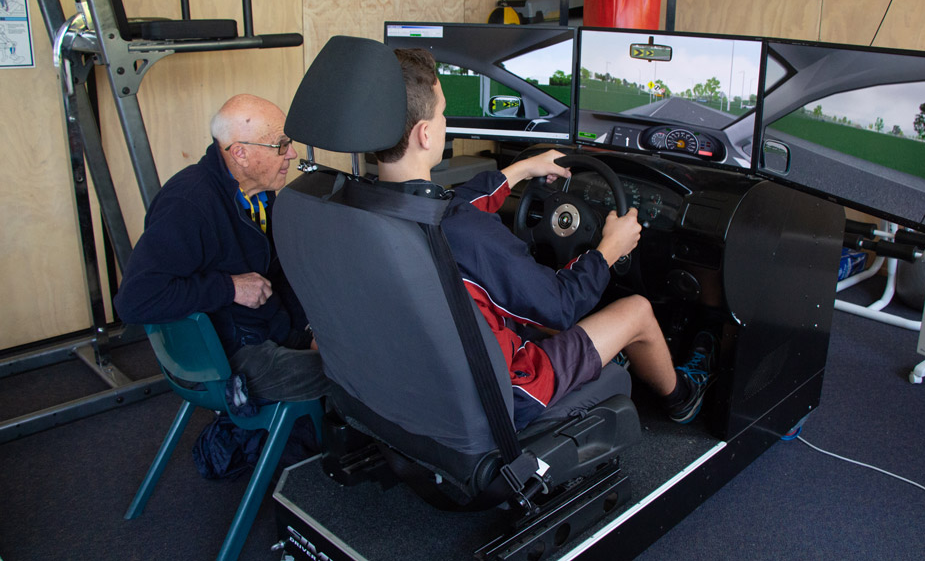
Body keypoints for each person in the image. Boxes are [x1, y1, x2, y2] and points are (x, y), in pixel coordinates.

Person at [376, 48, 716, 429]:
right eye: (441, 114)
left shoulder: (363, 210)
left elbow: (460, 202)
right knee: (636, 309)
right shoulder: (466, 232)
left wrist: (522, 168)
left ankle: (608, 356)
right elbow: (561, 303)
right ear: (425, 134)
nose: (444, 123)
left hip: (428, 376)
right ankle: (684, 396)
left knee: (537, 313)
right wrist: (609, 250)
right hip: (507, 390)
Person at [114, 94, 332, 403]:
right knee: (352, 373)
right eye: (280, 145)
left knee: (350, 356)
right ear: (240, 154)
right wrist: (229, 287)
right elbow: (135, 300)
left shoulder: (261, 195)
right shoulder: (188, 204)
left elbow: (278, 276)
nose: (292, 154)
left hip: (264, 332)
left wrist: (307, 336)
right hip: (223, 360)